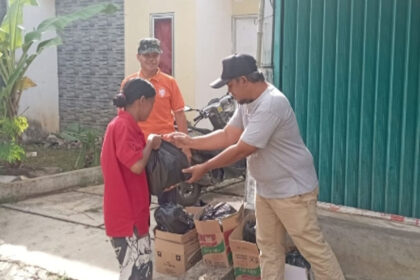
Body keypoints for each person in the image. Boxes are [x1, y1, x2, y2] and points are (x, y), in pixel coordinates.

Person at [165, 54, 345, 280]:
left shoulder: (271, 104)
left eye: (230, 85)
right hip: (267, 189)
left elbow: (242, 149)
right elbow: (228, 135)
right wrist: (189, 141)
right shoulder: (246, 102)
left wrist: (206, 166)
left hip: (292, 191)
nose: (229, 91)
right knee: (268, 248)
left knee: (313, 249)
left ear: (243, 80)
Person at [101, 78, 161, 280]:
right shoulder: (123, 126)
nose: (151, 110)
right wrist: (151, 142)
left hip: (131, 213)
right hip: (127, 217)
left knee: (140, 271)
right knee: (137, 273)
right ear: (142, 101)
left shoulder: (123, 124)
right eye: (152, 104)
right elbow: (136, 165)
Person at [121, 37, 190, 204]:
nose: (152, 59)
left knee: (169, 198)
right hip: (139, 148)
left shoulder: (169, 82)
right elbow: (123, 119)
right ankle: (142, 230)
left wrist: (186, 146)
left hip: (164, 148)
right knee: (138, 198)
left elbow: (180, 114)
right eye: (147, 55)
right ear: (138, 57)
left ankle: (167, 228)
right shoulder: (128, 84)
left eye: (155, 55)